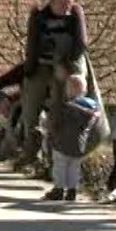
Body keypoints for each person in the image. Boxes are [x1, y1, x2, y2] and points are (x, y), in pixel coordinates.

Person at [16, 0, 89, 175]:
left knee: (57, 114)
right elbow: (32, 45)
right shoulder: (40, 17)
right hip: (40, 67)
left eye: (70, 2)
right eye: (62, 3)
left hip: (61, 68)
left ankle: (52, 162)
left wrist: (65, 65)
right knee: (30, 110)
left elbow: (81, 45)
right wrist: (28, 71)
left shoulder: (74, 17)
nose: (67, 6)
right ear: (51, 1)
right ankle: (31, 152)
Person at [44, 73, 101, 203]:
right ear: (85, 90)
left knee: (60, 166)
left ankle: (59, 189)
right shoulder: (92, 109)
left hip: (62, 142)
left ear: (69, 90)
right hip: (79, 144)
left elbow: (54, 124)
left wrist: (52, 135)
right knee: (74, 168)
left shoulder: (65, 107)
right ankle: (72, 190)